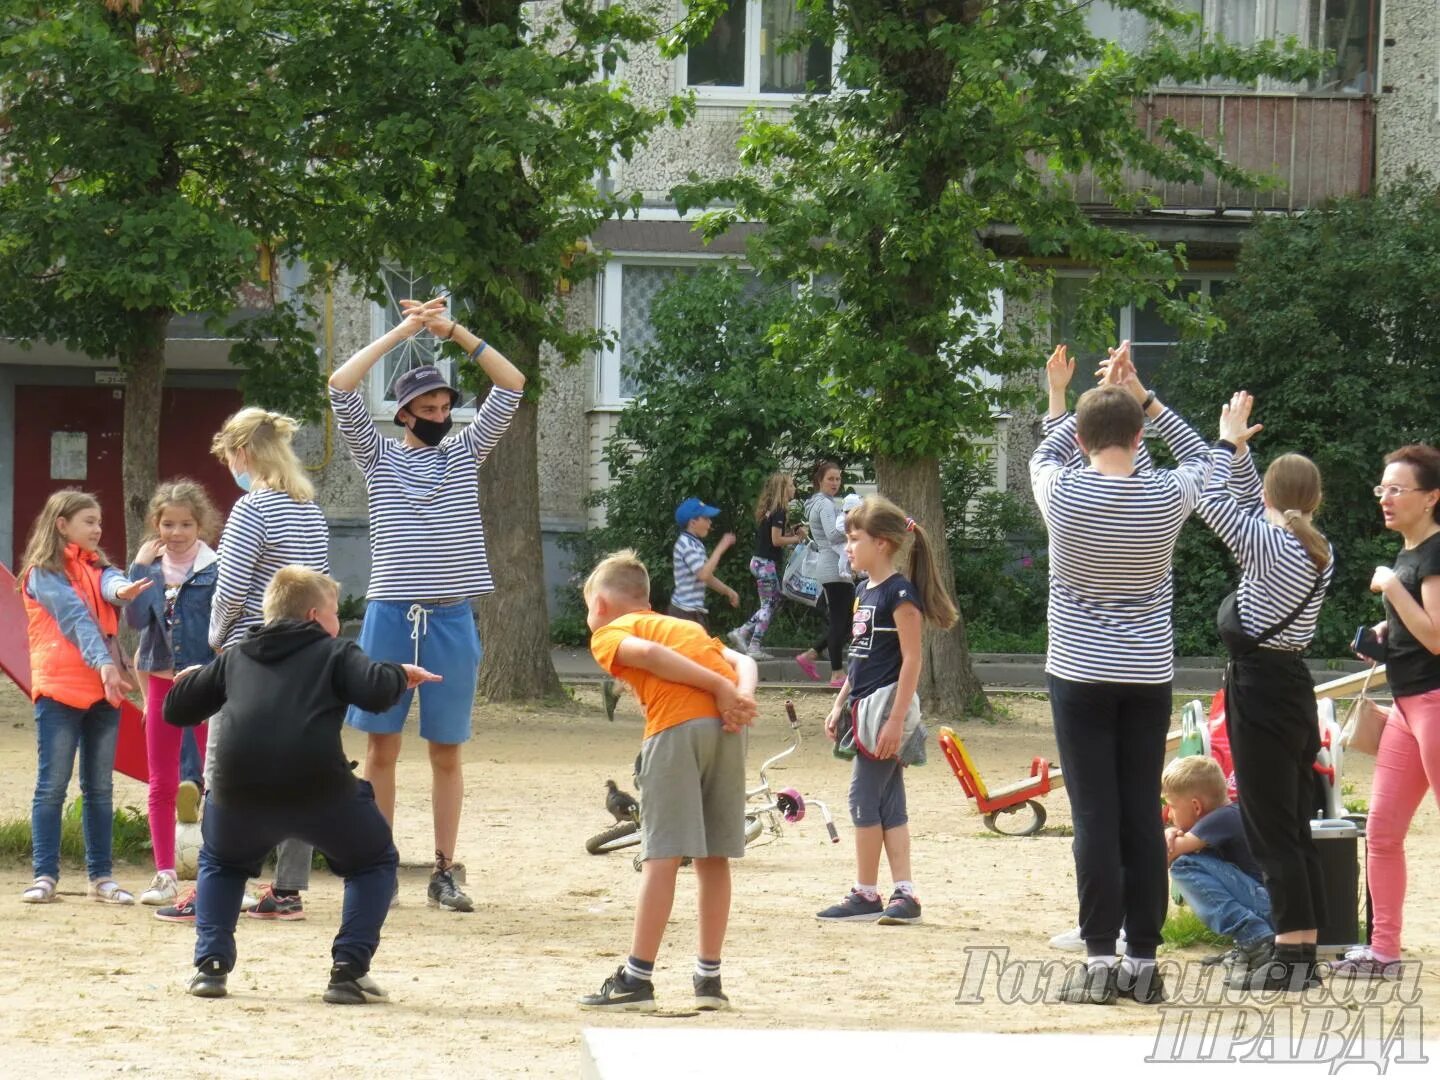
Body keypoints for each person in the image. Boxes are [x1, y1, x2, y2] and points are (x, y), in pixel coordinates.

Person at [162, 566, 439, 1002]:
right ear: (314, 615)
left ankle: (210, 967)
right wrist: (398, 674)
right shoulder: (335, 653)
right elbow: (375, 693)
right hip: (318, 789)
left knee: (223, 862)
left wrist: (198, 677)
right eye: (333, 613)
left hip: (240, 791)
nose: (337, 622)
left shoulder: (236, 655)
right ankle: (348, 969)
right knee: (373, 861)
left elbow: (177, 711)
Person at [1029, 342, 1211, 1006]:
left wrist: (1060, 395)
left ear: (1082, 438)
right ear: (1138, 434)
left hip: (1078, 673)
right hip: (1146, 674)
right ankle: (1145, 962)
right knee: (1141, 811)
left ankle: (1099, 960)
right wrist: (1149, 399)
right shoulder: (1166, 495)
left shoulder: (1062, 492)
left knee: (1094, 817)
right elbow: (1205, 459)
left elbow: (1047, 450)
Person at [329, 295, 524, 913]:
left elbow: (513, 384)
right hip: (390, 616)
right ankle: (378, 865)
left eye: (446, 406)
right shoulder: (379, 457)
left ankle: (444, 871)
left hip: (450, 616)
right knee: (380, 747)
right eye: (429, 407)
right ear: (405, 413)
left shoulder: (464, 452)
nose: (441, 414)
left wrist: (454, 332)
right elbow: (340, 385)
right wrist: (404, 331)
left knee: (446, 750)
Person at [155, 406, 332, 924]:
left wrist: (214, 639)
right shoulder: (310, 509)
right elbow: (319, 584)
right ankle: (289, 890)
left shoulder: (253, 508)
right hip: (303, 650)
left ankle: (215, 885)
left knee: (225, 771)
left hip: (248, 651)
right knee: (300, 769)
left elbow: (230, 589)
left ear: (243, 454)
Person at [578, 550, 758, 1011]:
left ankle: (636, 979)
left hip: (675, 731)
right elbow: (743, 663)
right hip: (726, 733)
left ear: (599, 605)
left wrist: (720, 691)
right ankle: (709, 980)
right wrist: (738, 696)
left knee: (661, 855)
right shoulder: (686, 627)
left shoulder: (612, 632)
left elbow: (649, 656)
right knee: (714, 856)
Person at [1194, 393, 1332, 991]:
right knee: (1292, 825)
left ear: (1273, 499)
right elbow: (1248, 502)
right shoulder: (1317, 549)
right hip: (1294, 688)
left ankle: (1292, 960)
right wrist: (1237, 450)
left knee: (1269, 827)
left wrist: (1226, 445)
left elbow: (1208, 497)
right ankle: (1300, 951)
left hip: (1260, 693)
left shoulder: (1264, 543)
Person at [817, 496, 958, 926]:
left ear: (881, 544)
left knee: (863, 798)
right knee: (888, 803)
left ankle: (865, 893)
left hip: (885, 715)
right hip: (864, 709)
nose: (848, 548)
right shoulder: (864, 591)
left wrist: (896, 721)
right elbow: (861, 658)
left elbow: (912, 660)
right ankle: (905, 894)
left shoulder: (901, 594)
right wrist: (840, 702)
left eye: (855, 539)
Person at [1331, 445, 1440, 979]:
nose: (1386, 498)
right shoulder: (1410, 551)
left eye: (1398, 489)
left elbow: (1438, 638)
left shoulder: (1433, 553)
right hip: (1406, 706)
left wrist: (1393, 589)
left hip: (1435, 706)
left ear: (1432, 497)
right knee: (1382, 830)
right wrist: (1384, 630)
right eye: (1383, 488)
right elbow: (1418, 628)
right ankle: (1384, 951)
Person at [18, 489, 150, 905]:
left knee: (99, 788)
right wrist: (105, 664)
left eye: (98, 521)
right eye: (88, 521)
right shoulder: (43, 574)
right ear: (62, 525)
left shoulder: (99, 568)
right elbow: (75, 618)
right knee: (52, 786)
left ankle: (101, 878)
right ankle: (45, 875)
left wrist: (124, 589)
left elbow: (111, 585)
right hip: (59, 693)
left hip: (103, 695)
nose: (98, 528)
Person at [125, 479, 223, 907]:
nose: (176, 533)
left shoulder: (216, 568)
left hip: (202, 681)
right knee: (160, 780)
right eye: (168, 524)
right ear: (156, 525)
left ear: (200, 525)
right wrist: (140, 570)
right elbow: (133, 620)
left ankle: (214, 874)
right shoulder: (150, 567)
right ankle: (164, 873)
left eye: (185, 524)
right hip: (161, 682)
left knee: (212, 779)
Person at [1162, 756, 1274, 977]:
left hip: (1266, 906)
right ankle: (1250, 944)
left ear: (1196, 806)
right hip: (1270, 906)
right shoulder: (1228, 816)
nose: (1170, 815)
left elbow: (1167, 855)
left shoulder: (1222, 818)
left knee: (1184, 864)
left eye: (1172, 807)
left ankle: (1254, 936)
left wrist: (1168, 835)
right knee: (1192, 858)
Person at [728, 472, 808, 660]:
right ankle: (751, 642)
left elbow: (774, 536)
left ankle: (744, 633)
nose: (793, 489)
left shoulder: (771, 510)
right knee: (769, 604)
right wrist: (797, 538)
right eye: (790, 485)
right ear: (783, 488)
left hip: (760, 562)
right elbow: (776, 540)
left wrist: (791, 531)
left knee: (773, 601)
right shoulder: (779, 511)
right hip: (766, 564)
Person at [794, 460, 852, 688]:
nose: (835, 483)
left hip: (834, 567)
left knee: (846, 623)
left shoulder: (820, 503)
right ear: (819, 480)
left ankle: (811, 654)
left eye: (838, 479)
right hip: (834, 568)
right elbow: (833, 535)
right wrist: (855, 528)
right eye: (831, 479)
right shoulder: (825, 505)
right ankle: (837, 673)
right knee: (841, 623)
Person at [670, 497, 738, 631]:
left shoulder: (696, 544)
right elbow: (703, 575)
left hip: (692, 612)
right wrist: (721, 547)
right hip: (684, 613)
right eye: (706, 519)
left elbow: (708, 577)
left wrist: (728, 591)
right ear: (693, 522)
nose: (710, 522)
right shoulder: (685, 543)